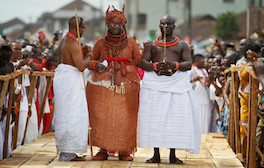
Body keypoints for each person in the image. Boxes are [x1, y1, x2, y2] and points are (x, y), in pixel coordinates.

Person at [137, 15, 201, 164]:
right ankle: (156, 154)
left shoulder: (182, 45)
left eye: (168, 24)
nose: (164, 27)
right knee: (155, 119)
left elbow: (188, 64)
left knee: (175, 120)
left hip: (176, 85)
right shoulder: (152, 45)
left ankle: (173, 154)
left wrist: (174, 66)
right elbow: (143, 62)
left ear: (174, 26)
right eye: (162, 24)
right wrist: (155, 66)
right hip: (155, 86)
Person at [86, 5, 141, 161]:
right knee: (102, 117)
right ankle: (102, 149)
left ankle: (124, 150)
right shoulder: (99, 44)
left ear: (123, 25)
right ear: (107, 26)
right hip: (103, 86)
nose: (115, 27)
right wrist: (96, 65)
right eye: (112, 24)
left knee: (126, 117)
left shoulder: (131, 43)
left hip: (126, 85)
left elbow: (138, 60)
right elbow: (90, 61)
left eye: (118, 24)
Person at [53, 16, 91, 161]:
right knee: (74, 114)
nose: (83, 31)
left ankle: (66, 151)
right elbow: (81, 66)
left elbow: (60, 62)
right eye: (83, 28)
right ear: (77, 27)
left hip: (62, 78)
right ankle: (69, 152)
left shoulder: (62, 41)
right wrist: (89, 55)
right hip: (70, 81)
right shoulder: (72, 42)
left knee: (65, 114)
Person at [190, 54, 211, 134]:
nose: (204, 63)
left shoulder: (204, 71)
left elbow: (207, 84)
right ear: (197, 60)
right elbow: (184, 83)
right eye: (203, 61)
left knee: (205, 122)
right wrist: (193, 80)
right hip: (194, 99)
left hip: (204, 99)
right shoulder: (190, 70)